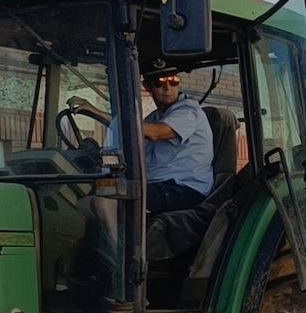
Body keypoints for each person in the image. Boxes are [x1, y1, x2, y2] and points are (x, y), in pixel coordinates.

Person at [68, 62, 213, 214]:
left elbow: (157, 132)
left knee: (105, 202)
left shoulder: (189, 110)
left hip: (184, 188)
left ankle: (122, 239)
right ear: (147, 86)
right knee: (87, 198)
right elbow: (133, 149)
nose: (168, 88)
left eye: (173, 81)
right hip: (156, 184)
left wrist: (96, 112)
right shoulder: (154, 118)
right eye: (159, 83)